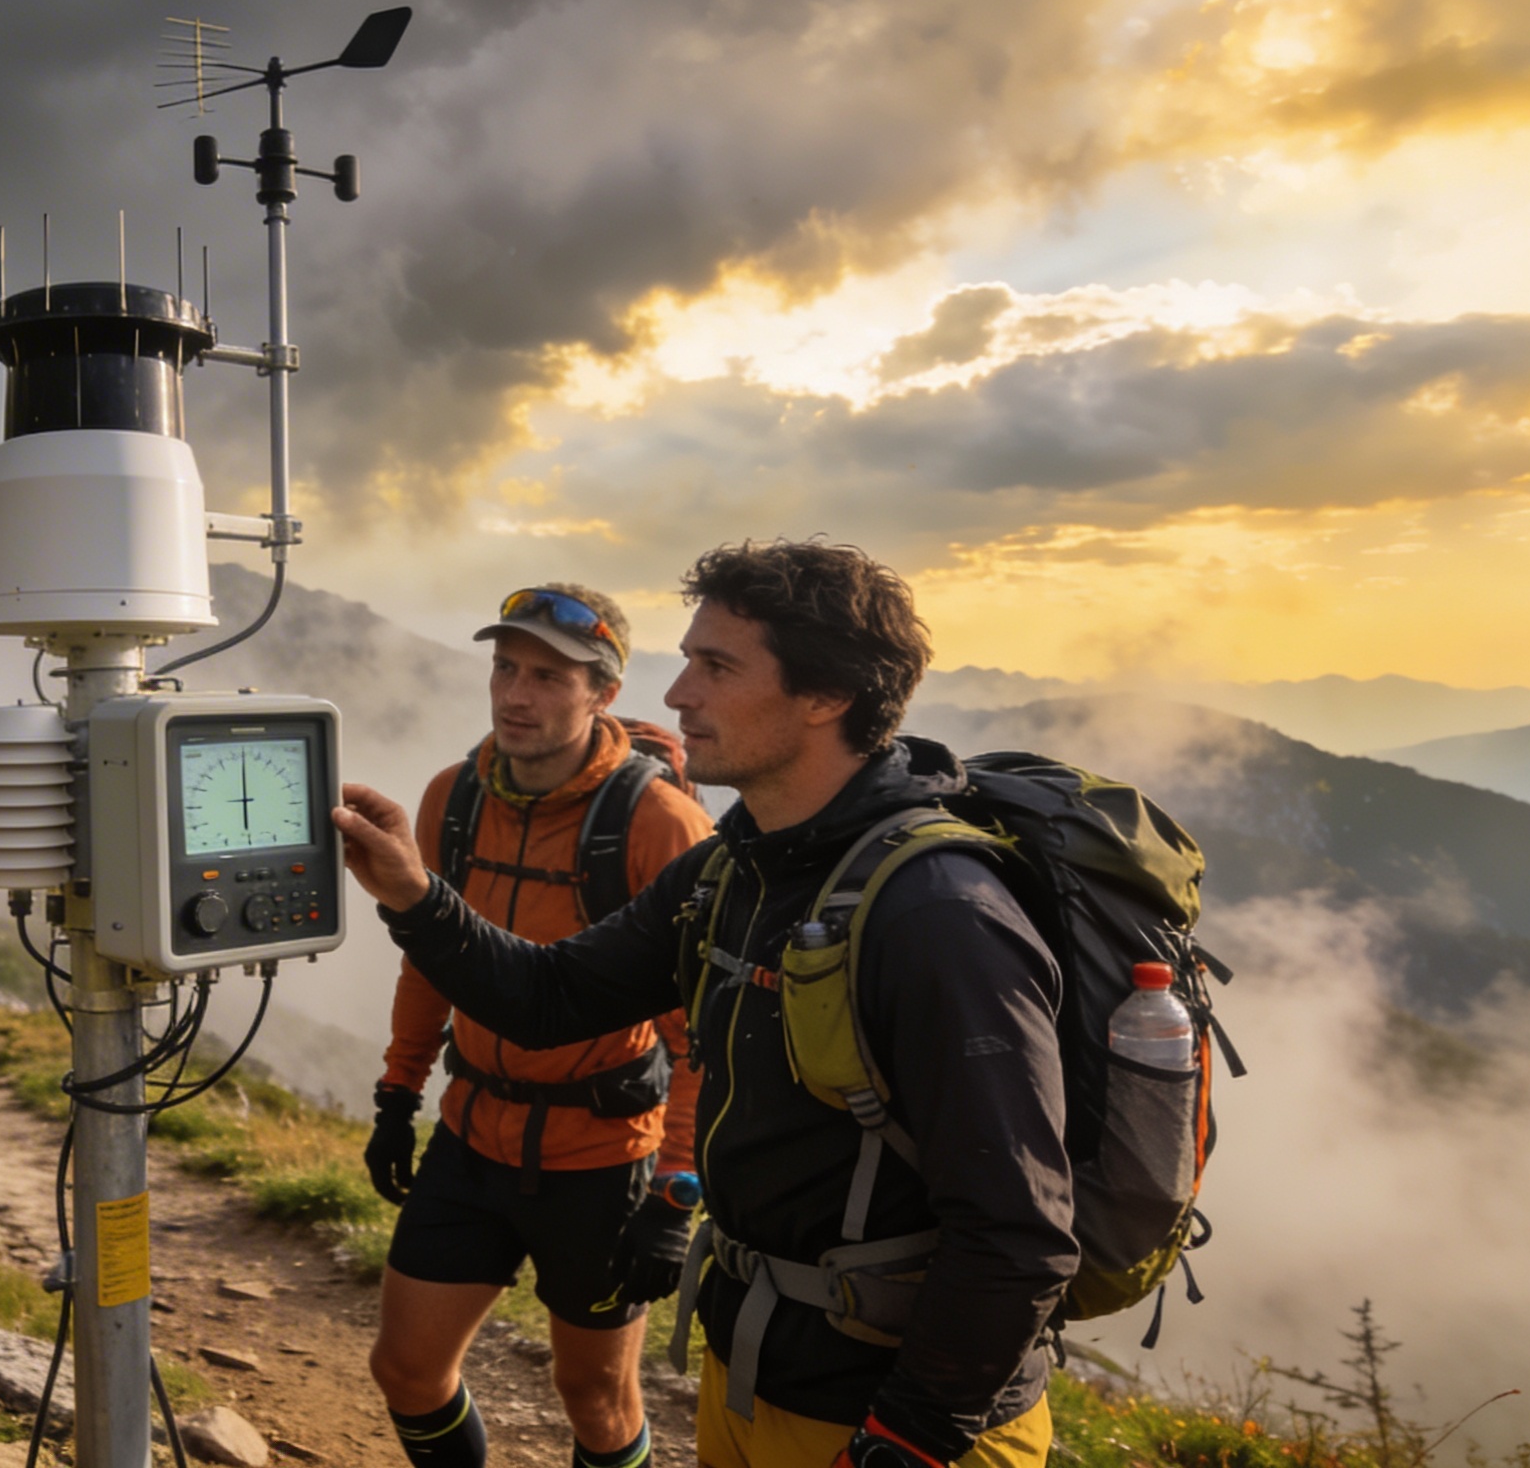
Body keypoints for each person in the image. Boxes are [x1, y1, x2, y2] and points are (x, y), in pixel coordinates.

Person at [334, 541, 1074, 1468]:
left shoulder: (937, 914)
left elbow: (1019, 1230)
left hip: (891, 1421)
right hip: (753, 1379)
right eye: (687, 662)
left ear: (825, 696)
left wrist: (907, 1440)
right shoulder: (737, 867)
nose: (678, 696)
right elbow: (552, 996)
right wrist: (413, 892)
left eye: (716, 667)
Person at [366, 582, 714, 1468]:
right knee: (406, 1369)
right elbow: (430, 958)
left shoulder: (658, 821)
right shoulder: (454, 795)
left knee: (594, 1399)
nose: (517, 695)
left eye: (550, 677)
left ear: (603, 693)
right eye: (506, 668)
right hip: (471, 1135)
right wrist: (398, 1093)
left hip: (600, 1157)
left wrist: (676, 1191)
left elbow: (699, 1032)